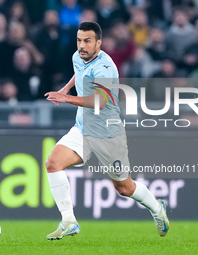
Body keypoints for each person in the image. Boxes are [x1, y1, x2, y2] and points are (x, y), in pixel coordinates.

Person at [44, 21, 169, 240]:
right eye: (79, 40)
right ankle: (68, 221)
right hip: (83, 129)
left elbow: (99, 102)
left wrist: (66, 98)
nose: (82, 45)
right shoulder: (78, 56)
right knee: (53, 163)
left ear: (99, 43)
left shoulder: (105, 66)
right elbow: (80, 72)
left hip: (108, 134)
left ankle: (157, 208)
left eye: (87, 41)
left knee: (124, 187)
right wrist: (65, 87)